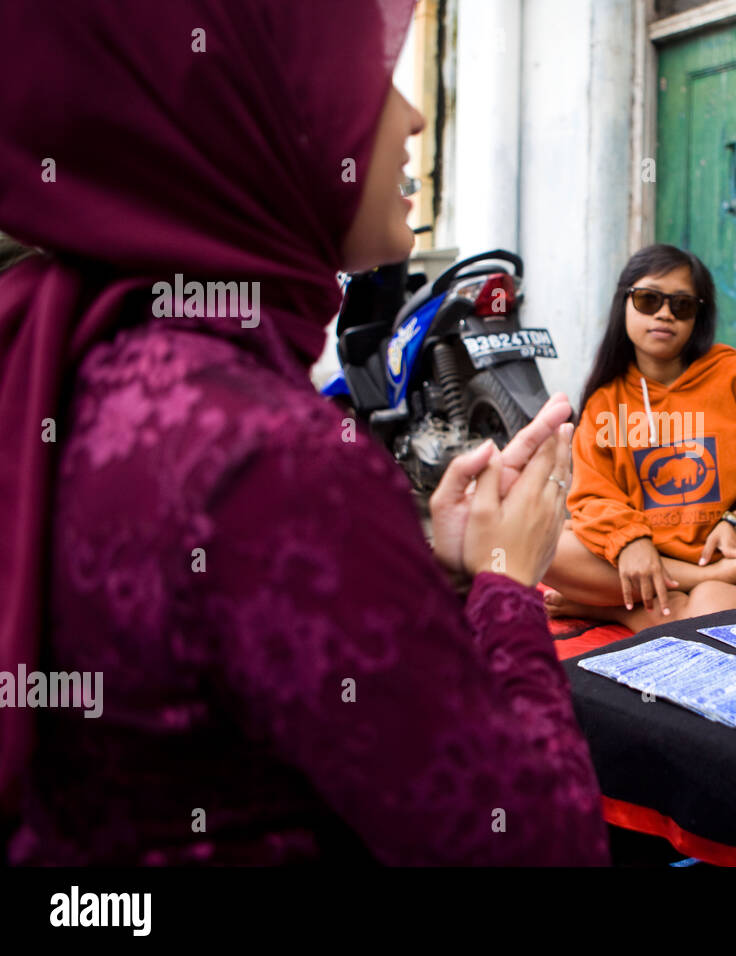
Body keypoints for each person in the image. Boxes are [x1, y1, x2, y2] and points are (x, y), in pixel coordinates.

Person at [0, 0, 608, 865]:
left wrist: (416, 570)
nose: (413, 117)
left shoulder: (74, 360)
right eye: (367, 80)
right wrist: (508, 587)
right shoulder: (266, 457)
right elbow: (536, 844)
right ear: (247, 117)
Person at [543, 244, 736, 632]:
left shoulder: (734, 376)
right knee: (546, 545)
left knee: (708, 629)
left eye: (682, 305)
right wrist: (628, 541)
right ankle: (680, 587)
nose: (664, 313)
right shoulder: (605, 400)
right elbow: (594, 495)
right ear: (623, 302)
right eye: (648, 299)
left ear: (697, 317)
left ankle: (617, 608)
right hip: (652, 558)